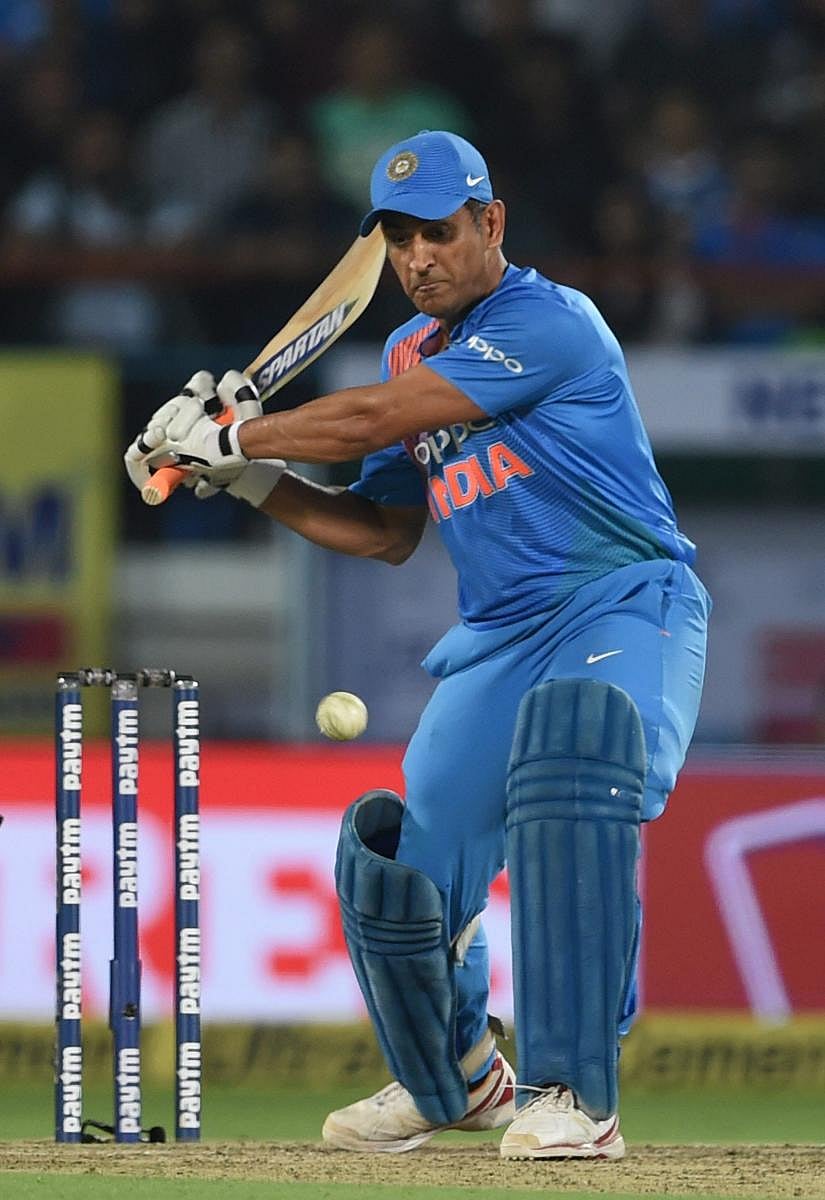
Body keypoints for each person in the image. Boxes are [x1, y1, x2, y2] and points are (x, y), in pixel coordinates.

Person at [125, 130, 711, 1160]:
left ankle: (574, 1093)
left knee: (568, 770)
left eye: (438, 234)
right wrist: (243, 475)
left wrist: (234, 431)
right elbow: (382, 532)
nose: (416, 259)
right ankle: (453, 1081)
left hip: (621, 606)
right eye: (397, 240)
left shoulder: (548, 321)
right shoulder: (406, 349)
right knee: (403, 864)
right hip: (497, 637)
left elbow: (373, 419)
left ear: (490, 225)